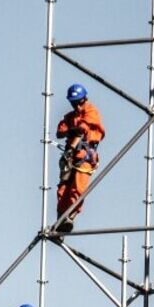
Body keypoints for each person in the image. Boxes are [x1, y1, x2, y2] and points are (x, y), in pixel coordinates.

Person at [55, 83, 105, 231]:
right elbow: (60, 131)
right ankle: (60, 221)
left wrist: (71, 145)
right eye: (74, 103)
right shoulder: (71, 116)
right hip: (71, 158)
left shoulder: (91, 111)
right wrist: (70, 131)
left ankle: (70, 217)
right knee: (63, 189)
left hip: (84, 157)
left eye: (79, 102)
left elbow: (82, 130)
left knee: (78, 189)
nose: (77, 106)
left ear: (84, 99)